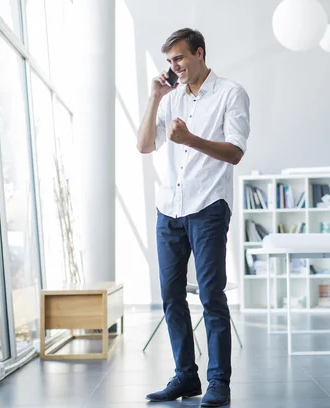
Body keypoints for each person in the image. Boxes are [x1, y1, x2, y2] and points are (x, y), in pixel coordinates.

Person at [137, 28, 250, 406]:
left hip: (208, 207)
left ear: (199, 53)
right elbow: (144, 145)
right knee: (170, 295)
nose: (175, 67)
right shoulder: (169, 100)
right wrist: (154, 98)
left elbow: (235, 152)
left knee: (211, 295)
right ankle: (186, 376)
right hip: (169, 208)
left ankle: (219, 381)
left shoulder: (231, 93)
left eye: (180, 58)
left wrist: (191, 140)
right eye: (170, 62)